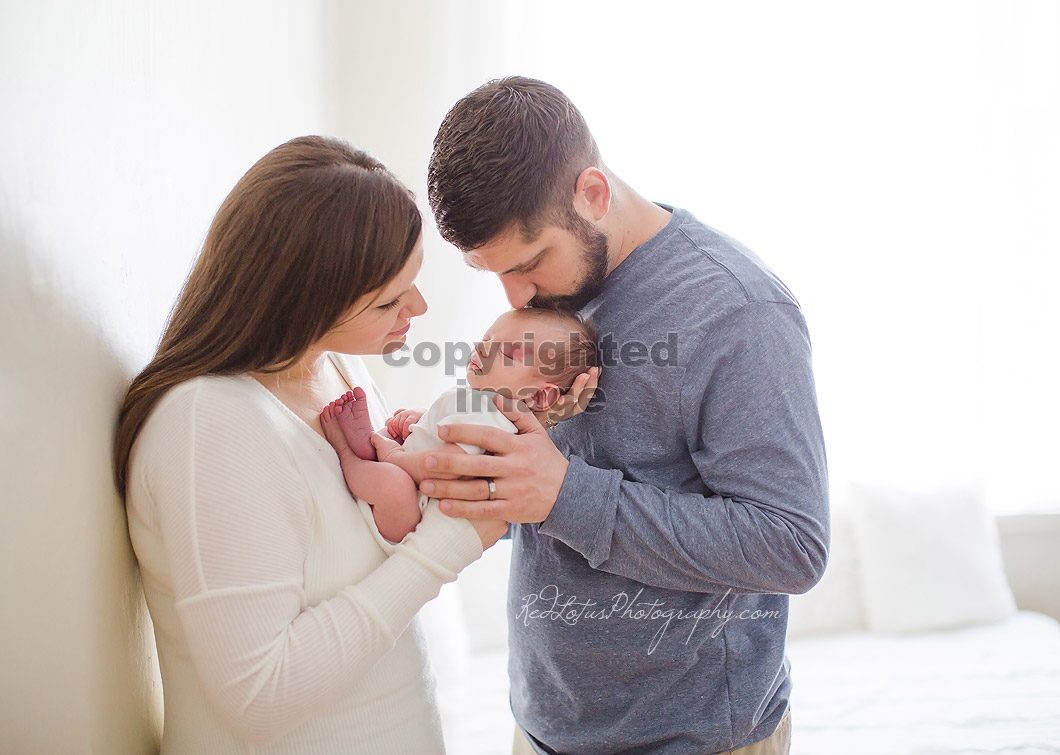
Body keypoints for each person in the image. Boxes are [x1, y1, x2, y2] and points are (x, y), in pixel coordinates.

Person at [423, 76, 829, 755]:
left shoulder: (739, 312)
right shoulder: (556, 295)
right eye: (492, 274)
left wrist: (564, 494)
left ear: (593, 193)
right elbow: (548, 503)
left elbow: (792, 543)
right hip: (541, 726)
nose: (516, 294)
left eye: (528, 263)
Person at [112, 135, 508, 754]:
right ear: (302, 300)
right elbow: (259, 696)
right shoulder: (209, 423)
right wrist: (447, 547)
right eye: (389, 300)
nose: (420, 307)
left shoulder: (336, 370)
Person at [320, 308, 599, 543]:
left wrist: (393, 454)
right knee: (392, 451)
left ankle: (349, 454)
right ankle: (370, 450)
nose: (483, 349)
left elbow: (442, 468)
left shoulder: (493, 418)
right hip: (410, 477)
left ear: (539, 395)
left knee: (393, 484)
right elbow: (446, 433)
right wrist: (421, 421)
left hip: (410, 514)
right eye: (487, 339)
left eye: (509, 354)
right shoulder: (479, 402)